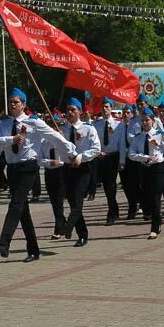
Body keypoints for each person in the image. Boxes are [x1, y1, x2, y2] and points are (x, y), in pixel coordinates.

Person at [0, 88, 76, 262]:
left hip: (28, 167)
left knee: (15, 204)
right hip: (12, 169)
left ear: (24, 104)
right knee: (22, 211)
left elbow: (55, 137)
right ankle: (34, 250)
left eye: (16, 102)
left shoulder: (33, 123)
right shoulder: (4, 125)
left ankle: (4, 242)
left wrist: (71, 152)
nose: (13, 105)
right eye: (11, 102)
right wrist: (11, 139)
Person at [128, 108, 164, 239]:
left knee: (155, 197)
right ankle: (157, 220)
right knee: (146, 197)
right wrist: (144, 157)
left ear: (153, 121)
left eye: (147, 120)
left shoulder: (159, 134)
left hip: (158, 169)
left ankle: (154, 227)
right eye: (143, 120)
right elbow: (131, 154)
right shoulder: (138, 137)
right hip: (144, 169)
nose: (145, 123)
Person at [59, 98, 100, 247]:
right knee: (72, 201)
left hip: (83, 168)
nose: (70, 112)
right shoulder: (62, 130)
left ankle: (68, 227)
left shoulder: (88, 129)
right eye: (68, 109)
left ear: (80, 112)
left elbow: (96, 149)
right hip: (67, 168)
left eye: (73, 110)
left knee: (78, 199)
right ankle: (81, 232)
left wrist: (80, 157)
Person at [107, 105, 139, 220]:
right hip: (123, 159)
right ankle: (132, 206)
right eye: (124, 112)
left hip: (135, 159)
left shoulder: (136, 126)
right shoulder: (120, 127)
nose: (125, 114)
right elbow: (116, 143)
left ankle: (135, 207)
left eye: (128, 112)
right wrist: (106, 151)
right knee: (126, 185)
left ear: (131, 114)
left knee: (134, 184)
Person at [93, 100, 120, 225]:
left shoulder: (117, 124)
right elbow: (93, 141)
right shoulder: (95, 124)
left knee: (111, 185)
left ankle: (112, 212)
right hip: (100, 157)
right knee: (106, 186)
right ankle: (114, 209)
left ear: (111, 108)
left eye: (107, 107)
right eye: (103, 106)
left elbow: (120, 142)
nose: (104, 109)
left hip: (113, 156)